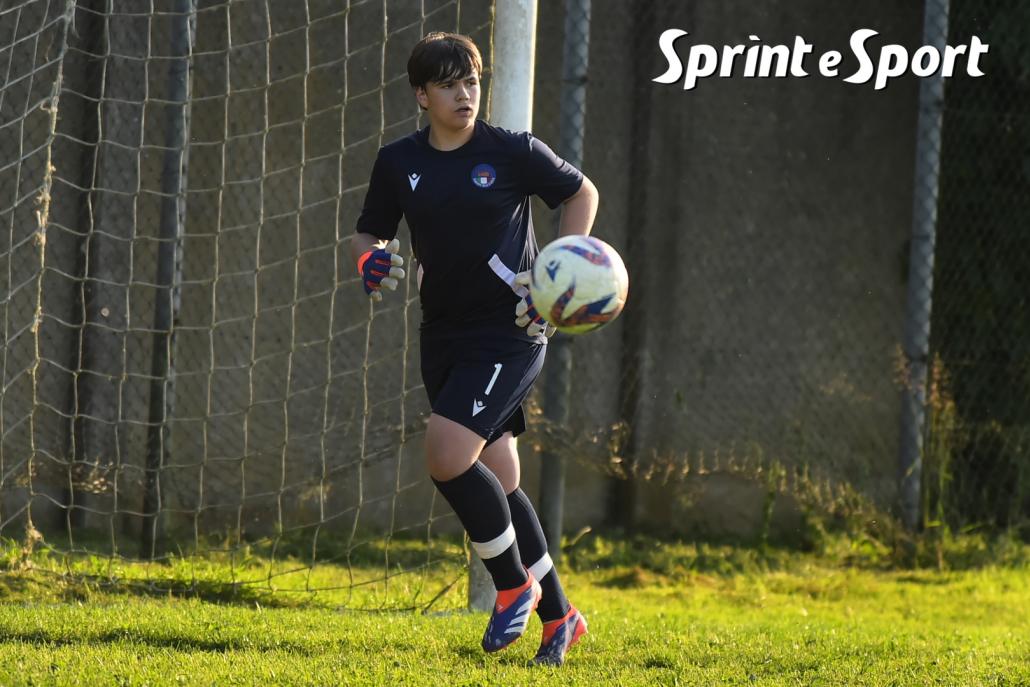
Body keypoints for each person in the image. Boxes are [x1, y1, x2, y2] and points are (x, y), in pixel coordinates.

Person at [351, 31, 599, 667]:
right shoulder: (398, 161)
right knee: (501, 479)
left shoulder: (511, 150)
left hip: (511, 330)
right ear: (422, 95)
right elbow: (368, 232)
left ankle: (514, 587)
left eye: (472, 82)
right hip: (442, 333)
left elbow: (581, 193)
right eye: (449, 85)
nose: (465, 94)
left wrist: (558, 275)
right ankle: (560, 618)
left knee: (446, 454)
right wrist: (367, 261)